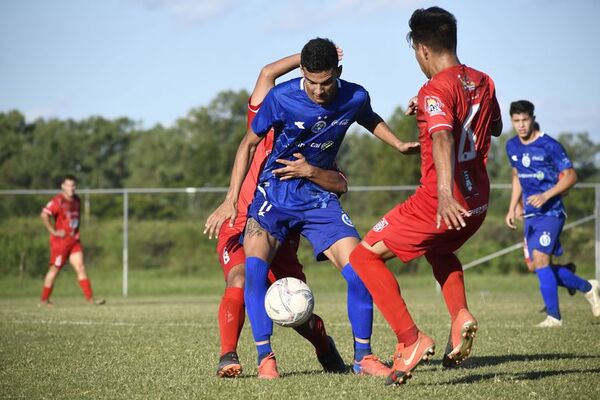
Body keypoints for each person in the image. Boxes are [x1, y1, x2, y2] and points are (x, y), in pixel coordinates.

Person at [205, 37, 419, 379]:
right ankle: (265, 359)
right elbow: (247, 144)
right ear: (302, 72)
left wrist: (398, 145)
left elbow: (369, 117)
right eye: (312, 82)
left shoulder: (355, 95)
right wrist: (231, 199)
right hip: (273, 196)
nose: (319, 91)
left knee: (361, 268)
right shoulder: (281, 97)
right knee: (253, 271)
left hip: (318, 197)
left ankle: (363, 357)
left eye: (327, 82)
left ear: (339, 72)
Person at [349, 6, 503, 386]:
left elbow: (443, 136)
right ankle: (460, 316)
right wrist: (437, 109)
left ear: (422, 50)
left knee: (362, 257)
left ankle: (410, 339)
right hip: (478, 201)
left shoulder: (434, 89)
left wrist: (445, 195)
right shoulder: (483, 81)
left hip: (439, 203)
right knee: (440, 251)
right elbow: (495, 126)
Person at [215, 51, 348, 378]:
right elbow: (267, 72)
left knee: (295, 309)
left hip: (280, 233)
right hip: (241, 225)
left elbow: (339, 183)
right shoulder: (262, 121)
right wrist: (307, 56)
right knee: (240, 278)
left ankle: (323, 345)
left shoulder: (308, 149)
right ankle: (228, 355)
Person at [505, 100, 600, 327]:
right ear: (512, 121)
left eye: (525, 120)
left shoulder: (550, 145)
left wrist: (546, 196)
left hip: (552, 212)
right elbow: (517, 175)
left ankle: (554, 317)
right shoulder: (512, 146)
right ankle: (589, 287)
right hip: (529, 215)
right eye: (516, 121)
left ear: (533, 118)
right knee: (535, 265)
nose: (521, 125)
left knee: (540, 259)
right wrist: (513, 206)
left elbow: (570, 176)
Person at [39, 175, 105, 307]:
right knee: (54, 270)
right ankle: (44, 300)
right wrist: (53, 231)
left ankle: (91, 299)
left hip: (74, 241)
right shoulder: (58, 201)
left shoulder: (77, 200)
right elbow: (44, 214)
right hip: (60, 243)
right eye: (69, 185)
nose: (72, 188)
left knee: (80, 267)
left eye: (73, 185)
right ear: (63, 186)